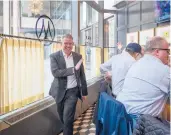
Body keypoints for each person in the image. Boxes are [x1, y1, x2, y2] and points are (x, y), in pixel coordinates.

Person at [116, 36, 170, 118]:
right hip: (140, 125)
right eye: (167, 51)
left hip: (121, 118)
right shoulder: (164, 71)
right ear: (157, 51)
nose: (169, 54)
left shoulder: (136, 64)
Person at [49, 34, 88, 135]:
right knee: (62, 116)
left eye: (70, 43)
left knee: (68, 119)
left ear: (73, 44)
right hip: (59, 92)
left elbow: (82, 75)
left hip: (72, 92)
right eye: (65, 43)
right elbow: (55, 72)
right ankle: (67, 128)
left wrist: (84, 92)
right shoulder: (54, 56)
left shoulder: (78, 57)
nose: (68, 46)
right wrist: (72, 70)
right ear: (61, 44)